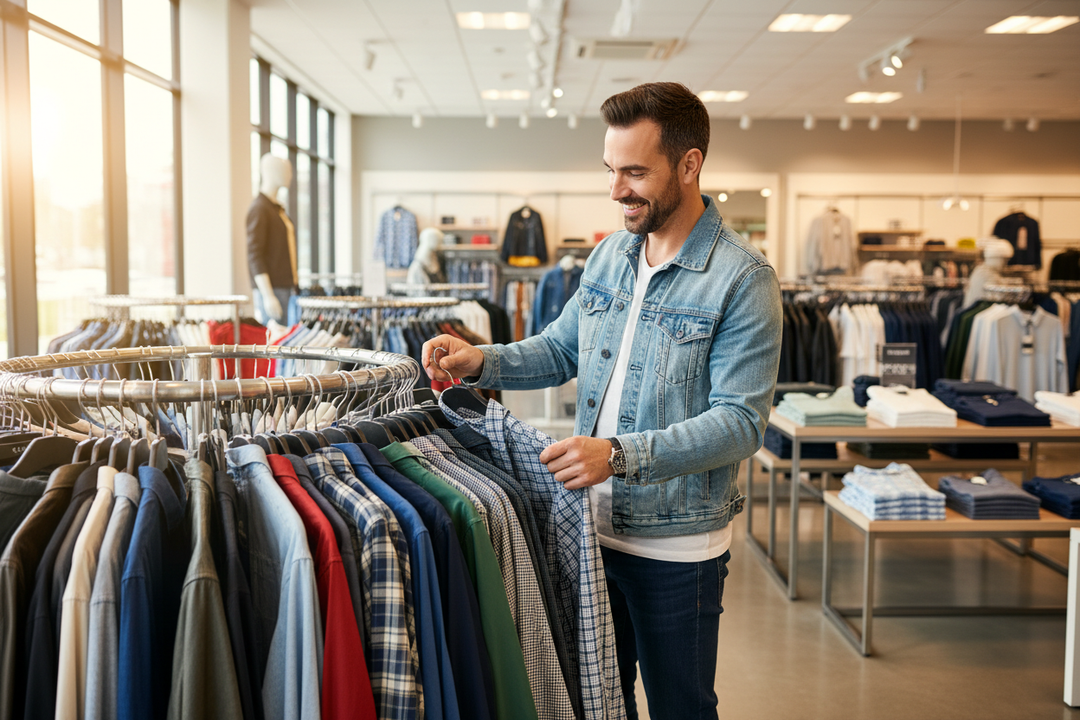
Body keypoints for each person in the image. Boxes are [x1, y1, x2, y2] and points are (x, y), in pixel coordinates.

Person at [421, 82, 782, 720]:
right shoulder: (612, 255)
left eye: (636, 172)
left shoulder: (742, 280)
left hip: (676, 546)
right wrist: (485, 361)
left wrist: (616, 455)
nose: (617, 190)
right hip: (587, 530)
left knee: (681, 708)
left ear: (690, 165)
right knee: (597, 700)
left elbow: (741, 423)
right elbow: (564, 350)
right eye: (612, 170)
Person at [247, 153, 297, 326]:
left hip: (285, 287)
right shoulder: (260, 209)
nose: (290, 175)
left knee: (285, 341)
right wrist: (268, 295)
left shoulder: (276, 208)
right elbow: (255, 255)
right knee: (275, 344)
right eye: (286, 170)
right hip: (273, 289)